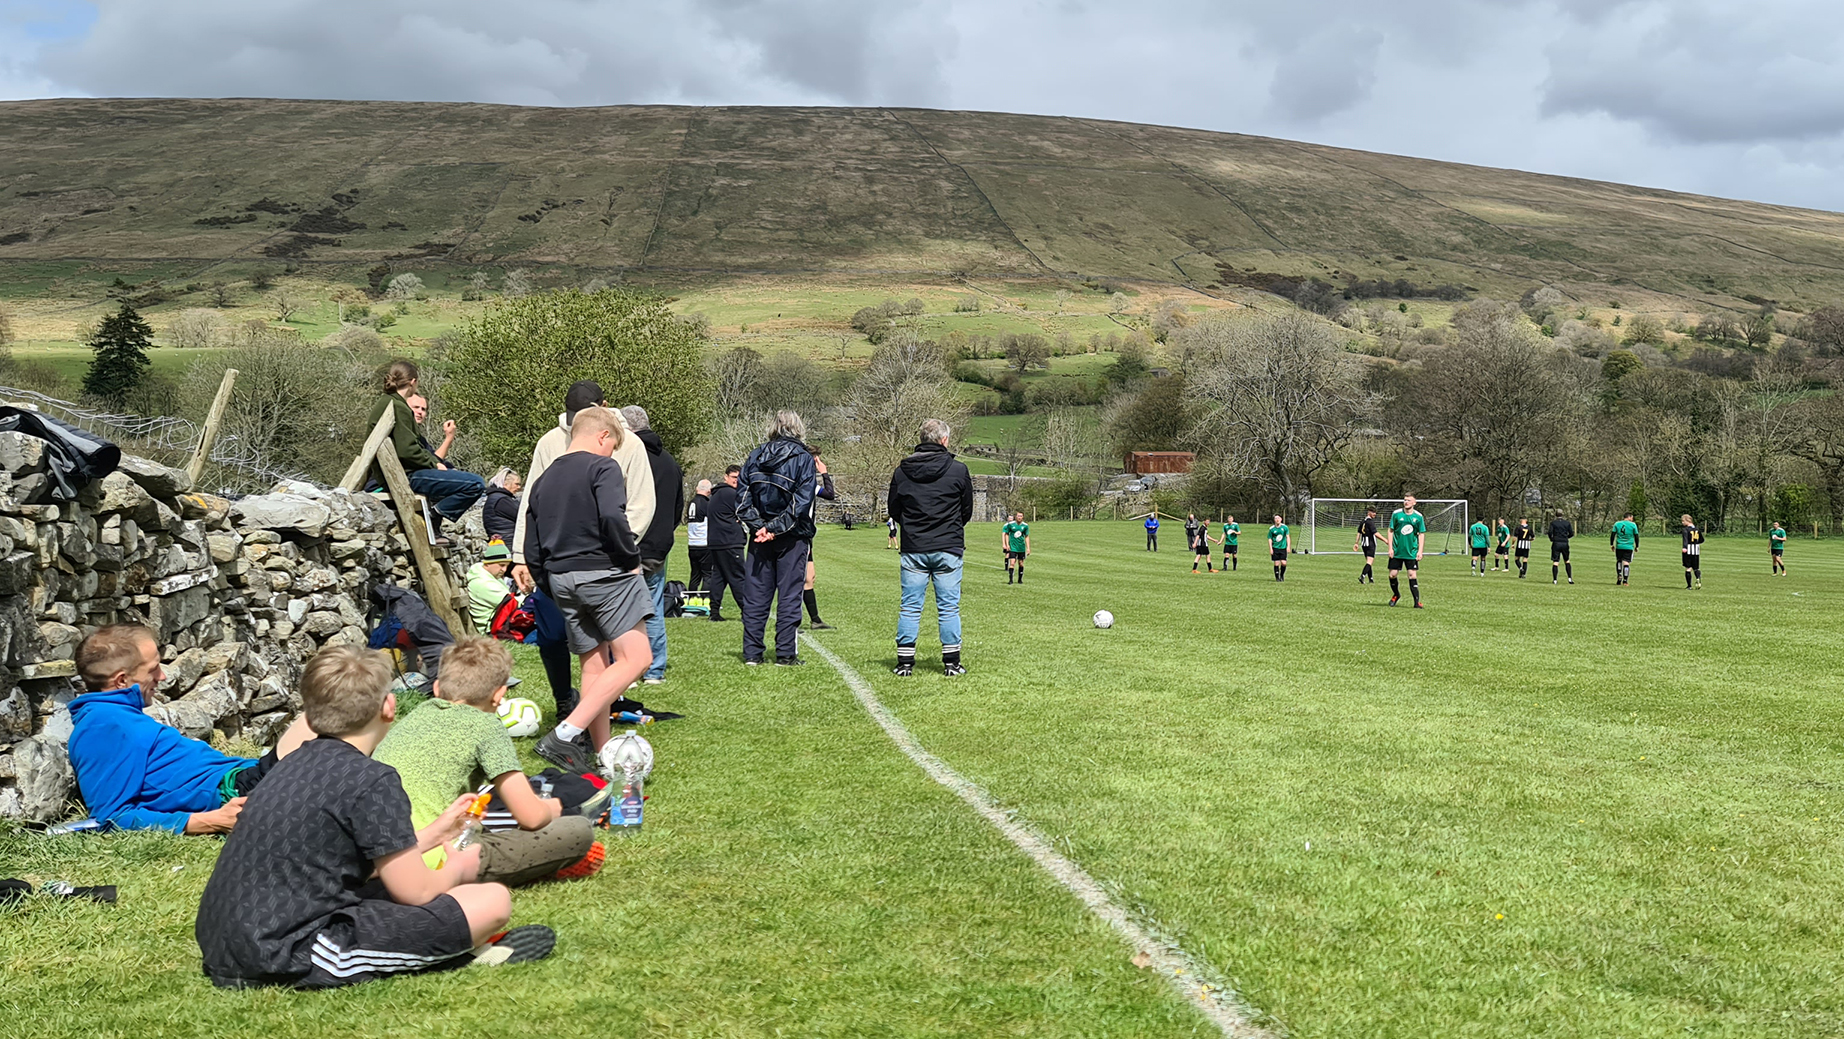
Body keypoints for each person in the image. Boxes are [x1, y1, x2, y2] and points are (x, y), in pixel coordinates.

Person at [194, 645, 552, 989]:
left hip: (224, 937)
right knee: (491, 901)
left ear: (311, 713)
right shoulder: (373, 779)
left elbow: (357, 862)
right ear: (389, 706)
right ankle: (449, 956)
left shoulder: (291, 764)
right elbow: (416, 891)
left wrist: (436, 832)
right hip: (287, 950)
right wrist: (459, 868)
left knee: (395, 892)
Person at [374, 638, 603, 886]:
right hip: (432, 858)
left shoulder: (415, 715)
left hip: (376, 853)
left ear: (437, 688)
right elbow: (531, 817)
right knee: (577, 831)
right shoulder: (486, 726)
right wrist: (552, 808)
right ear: (499, 695)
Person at [66, 625, 315, 833]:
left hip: (245, 776)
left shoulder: (117, 716)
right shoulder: (101, 726)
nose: (162, 677)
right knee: (325, 712)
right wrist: (212, 821)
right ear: (122, 680)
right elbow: (110, 817)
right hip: (237, 790)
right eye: (153, 669)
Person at [521, 406, 656, 775]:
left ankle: (603, 755)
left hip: (560, 579)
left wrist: (549, 582)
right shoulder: (602, 467)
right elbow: (613, 516)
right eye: (614, 445)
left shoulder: (543, 480)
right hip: (605, 574)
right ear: (602, 435)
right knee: (637, 658)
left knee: (595, 667)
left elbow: (532, 542)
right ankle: (565, 733)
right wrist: (630, 558)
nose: (613, 453)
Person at [888, 418, 974, 677]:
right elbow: (966, 510)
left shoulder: (902, 471)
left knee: (910, 606)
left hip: (914, 546)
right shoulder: (958, 470)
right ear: (944, 440)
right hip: (948, 545)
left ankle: (905, 662)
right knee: (948, 607)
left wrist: (912, 526)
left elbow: (894, 509)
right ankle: (951, 662)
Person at [367, 360, 484, 544]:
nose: (421, 411)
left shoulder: (388, 402)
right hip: (402, 476)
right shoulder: (398, 406)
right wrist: (434, 464)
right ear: (413, 382)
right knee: (475, 484)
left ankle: (434, 524)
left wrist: (436, 463)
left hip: (398, 473)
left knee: (455, 481)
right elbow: (407, 450)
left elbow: (413, 448)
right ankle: (433, 517)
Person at [737, 411, 819, 667]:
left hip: (761, 536)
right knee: (789, 595)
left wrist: (760, 527)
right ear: (798, 429)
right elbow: (802, 501)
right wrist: (772, 528)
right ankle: (785, 653)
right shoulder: (803, 459)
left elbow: (742, 499)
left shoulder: (755, 455)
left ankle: (752, 653)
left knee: (756, 596)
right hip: (791, 536)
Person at [623, 405, 684, 686]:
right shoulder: (669, 462)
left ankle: (629, 669)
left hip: (629, 542)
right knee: (654, 607)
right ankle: (655, 669)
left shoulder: (628, 458)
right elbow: (677, 507)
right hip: (659, 546)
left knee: (623, 608)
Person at [705, 465, 745, 622]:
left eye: (739, 478)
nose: (737, 481)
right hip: (730, 541)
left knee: (719, 577)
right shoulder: (731, 494)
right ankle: (747, 610)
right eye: (734, 477)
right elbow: (746, 511)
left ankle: (714, 612)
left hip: (715, 542)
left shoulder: (715, 494)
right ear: (726, 477)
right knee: (738, 577)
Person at [802, 447, 836, 631]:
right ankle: (790, 621)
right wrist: (824, 473)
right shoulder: (804, 482)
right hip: (799, 534)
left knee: (809, 577)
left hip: (806, 536)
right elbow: (830, 493)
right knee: (795, 578)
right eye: (815, 460)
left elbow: (829, 495)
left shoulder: (810, 483)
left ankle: (815, 620)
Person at [464, 541, 515, 634]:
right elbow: (513, 604)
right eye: (501, 565)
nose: (504, 570)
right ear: (487, 564)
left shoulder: (490, 576)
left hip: (501, 625)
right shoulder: (483, 583)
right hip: (492, 631)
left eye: (507, 566)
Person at [1386, 494, 1426, 608]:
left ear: (1414, 503)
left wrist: (1420, 551)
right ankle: (1396, 595)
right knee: (1393, 574)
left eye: (1409, 500)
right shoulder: (1396, 514)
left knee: (1412, 575)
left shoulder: (1418, 517)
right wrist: (1390, 548)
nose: (1406, 502)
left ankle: (1416, 602)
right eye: (1405, 500)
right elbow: (1390, 530)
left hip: (1411, 551)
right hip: (1397, 550)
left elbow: (1421, 534)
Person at [406, 394, 455, 463]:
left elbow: (434, 459)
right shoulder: (403, 434)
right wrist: (449, 438)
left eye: (423, 409)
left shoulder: (420, 439)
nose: (420, 412)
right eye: (416, 407)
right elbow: (434, 463)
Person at [685, 479, 713, 591]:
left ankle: (692, 597)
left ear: (697, 488)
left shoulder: (691, 503)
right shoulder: (707, 504)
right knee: (707, 574)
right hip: (704, 543)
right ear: (709, 491)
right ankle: (705, 598)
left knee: (695, 574)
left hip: (692, 543)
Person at [482, 469, 522, 542]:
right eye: (516, 484)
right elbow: (522, 517)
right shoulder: (502, 501)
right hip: (507, 542)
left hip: (499, 542)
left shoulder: (495, 498)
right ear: (505, 483)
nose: (519, 487)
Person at [1610, 511, 1640, 586]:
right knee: (1626, 563)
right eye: (1632, 518)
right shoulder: (1633, 525)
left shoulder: (1617, 524)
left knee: (1619, 560)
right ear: (1629, 517)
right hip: (1629, 547)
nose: (1632, 519)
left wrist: (1611, 544)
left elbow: (1613, 535)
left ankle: (1619, 574)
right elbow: (1636, 536)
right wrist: (1637, 546)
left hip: (1619, 546)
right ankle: (1625, 580)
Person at [1001, 511, 1031, 584]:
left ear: (1023, 517)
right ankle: (1010, 580)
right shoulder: (1010, 525)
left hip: (1021, 547)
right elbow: (1006, 534)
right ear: (1016, 517)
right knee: (1012, 563)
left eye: (1021, 516)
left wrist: (1028, 548)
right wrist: (1007, 544)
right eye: (1018, 516)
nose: (1019, 517)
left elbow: (1026, 537)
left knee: (1021, 563)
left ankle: (1020, 580)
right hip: (1013, 547)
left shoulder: (1025, 526)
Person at [1547, 510, 1575, 584]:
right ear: (1562, 514)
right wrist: (1566, 537)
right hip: (1565, 543)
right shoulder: (1567, 523)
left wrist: (1552, 539)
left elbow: (1550, 532)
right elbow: (1571, 533)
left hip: (1556, 543)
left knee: (1556, 561)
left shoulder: (1553, 523)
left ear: (1556, 515)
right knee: (1567, 560)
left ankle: (1555, 580)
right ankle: (1570, 578)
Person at [1353, 507, 1379, 584]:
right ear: (1369, 512)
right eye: (1373, 512)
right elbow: (1376, 533)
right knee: (1369, 561)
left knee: (1368, 561)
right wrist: (1386, 540)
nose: (1375, 514)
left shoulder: (1363, 521)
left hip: (1364, 544)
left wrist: (1356, 543)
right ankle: (1362, 576)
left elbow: (1359, 533)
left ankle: (1371, 579)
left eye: (1375, 512)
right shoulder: (1370, 522)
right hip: (1370, 544)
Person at [1680, 514, 1704, 589]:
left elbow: (1685, 540)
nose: (1682, 523)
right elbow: (1702, 540)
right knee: (1696, 568)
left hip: (1688, 550)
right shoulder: (1697, 529)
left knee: (1688, 568)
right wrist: (1696, 543)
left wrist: (1684, 547)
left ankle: (1689, 586)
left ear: (1688, 520)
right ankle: (1698, 578)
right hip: (1696, 550)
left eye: (1683, 521)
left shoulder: (1686, 530)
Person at [1267, 514, 1290, 581]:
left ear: (1281, 519)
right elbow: (1270, 539)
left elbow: (1287, 537)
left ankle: (1282, 575)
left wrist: (1288, 546)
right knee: (1276, 563)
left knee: (1283, 563)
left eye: (1278, 518)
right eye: (1276, 518)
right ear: (1274, 520)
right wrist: (1271, 548)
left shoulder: (1285, 527)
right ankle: (1277, 578)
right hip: (1275, 547)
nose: (1277, 520)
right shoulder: (1272, 529)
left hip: (1283, 547)